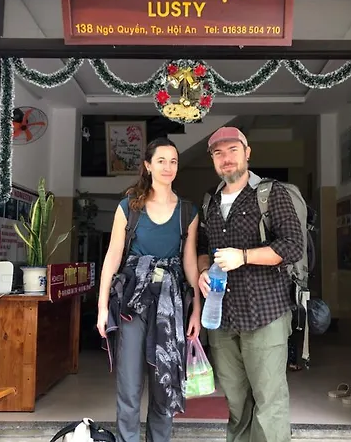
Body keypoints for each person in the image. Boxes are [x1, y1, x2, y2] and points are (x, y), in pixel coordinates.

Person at [197, 127, 303, 442]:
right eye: (218, 153)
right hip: (222, 317)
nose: (226, 158)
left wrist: (244, 256)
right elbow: (203, 246)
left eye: (233, 150)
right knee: (236, 402)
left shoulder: (271, 193)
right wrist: (202, 270)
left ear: (247, 152)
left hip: (264, 314)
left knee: (269, 401)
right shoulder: (210, 201)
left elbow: (292, 246)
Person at [97, 137, 202, 442]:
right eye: (161, 161)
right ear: (148, 165)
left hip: (171, 303)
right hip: (132, 302)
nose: (168, 167)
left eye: (173, 161)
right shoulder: (129, 207)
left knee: (164, 381)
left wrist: (196, 310)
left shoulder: (187, 212)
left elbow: (190, 263)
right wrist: (102, 307)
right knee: (129, 383)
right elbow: (112, 257)